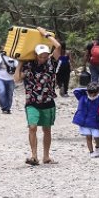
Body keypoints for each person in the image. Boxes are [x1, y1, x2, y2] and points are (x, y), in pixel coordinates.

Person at [14, 27, 61, 166]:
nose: (43, 58)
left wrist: (45, 33)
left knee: (47, 129)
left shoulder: (52, 63)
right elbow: (16, 79)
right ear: (35, 55)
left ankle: (46, 156)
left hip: (48, 101)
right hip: (32, 101)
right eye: (41, 56)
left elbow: (57, 46)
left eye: (45, 55)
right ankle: (34, 156)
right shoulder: (28, 66)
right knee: (32, 127)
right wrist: (20, 61)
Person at [72, 82, 99, 158]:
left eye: (94, 93)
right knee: (88, 137)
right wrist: (88, 89)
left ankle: (97, 147)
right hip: (84, 122)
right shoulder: (82, 97)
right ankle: (91, 152)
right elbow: (76, 91)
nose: (92, 95)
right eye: (90, 93)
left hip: (95, 122)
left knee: (96, 136)